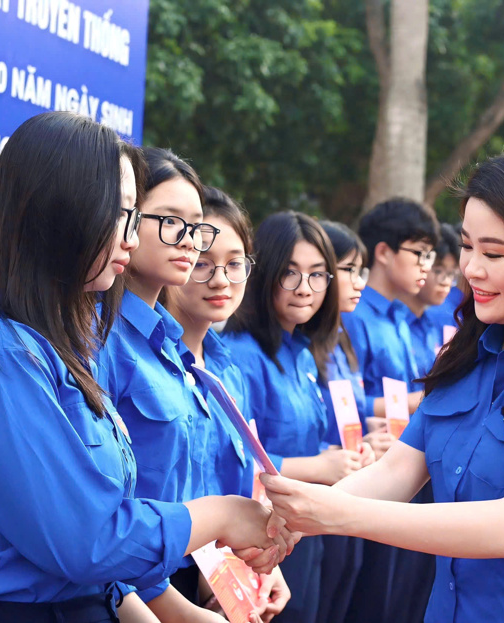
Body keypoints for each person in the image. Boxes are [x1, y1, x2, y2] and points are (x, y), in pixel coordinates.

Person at [0, 112, 290, 623]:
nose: (131, 240)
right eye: (121, 215)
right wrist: (223, 515)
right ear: (57, 210)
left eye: (135, 220)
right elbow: (87, 539)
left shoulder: (55, 344)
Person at [260, 144, 504, 622]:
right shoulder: (465, 359)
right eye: (466, 246)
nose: (471, 269)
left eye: (494, 252)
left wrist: (334, 514)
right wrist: (298, 518)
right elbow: (397, 473)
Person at [94, 148, 288, 620]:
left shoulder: (179, 351)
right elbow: (98, 520)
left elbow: (211, 488)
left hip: (194, 577)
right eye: (170, 220)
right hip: (131, 593)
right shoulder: (100, 342)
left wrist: (244, 571)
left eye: (194, 225)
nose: (188, 242)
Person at [224, 212, 363, 623]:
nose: (305, 289)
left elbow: (305, 437)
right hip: (261, 535)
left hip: (306, 527)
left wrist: (343, 456)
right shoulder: (241, 354)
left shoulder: (301, 349)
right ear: (263, 275)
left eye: (318, 275)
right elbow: (234, 459)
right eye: (290, 274)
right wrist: (319, 466)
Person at [162, 186, 291, 622]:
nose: (220, 279)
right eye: (201, 263)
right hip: (153, 588)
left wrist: (263, 566)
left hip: (219, 578)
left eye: (234, 264)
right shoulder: (137, 362)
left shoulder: (227, 368)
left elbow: (243, 484)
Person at [341, 198, 439, 623]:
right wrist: (413, 404)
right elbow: (343, 398)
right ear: (383, 252)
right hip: (370, 469)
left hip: (407, 466)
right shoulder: (355, 317)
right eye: (420, 253)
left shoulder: (401, 318)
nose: (427, 266)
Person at [314, 221, 386, 623]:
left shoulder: (340, 340)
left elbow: (350, 414)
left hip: (353, 488)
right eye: (348, 270)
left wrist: (370, 436)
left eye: (361, 271)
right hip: (309, 505)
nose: (359, 282)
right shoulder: (294, 347)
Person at [405, 223, 462, 376]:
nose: (446, 281)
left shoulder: (429, 324)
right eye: (438, 271)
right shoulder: (398, 321)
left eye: (451, 274)